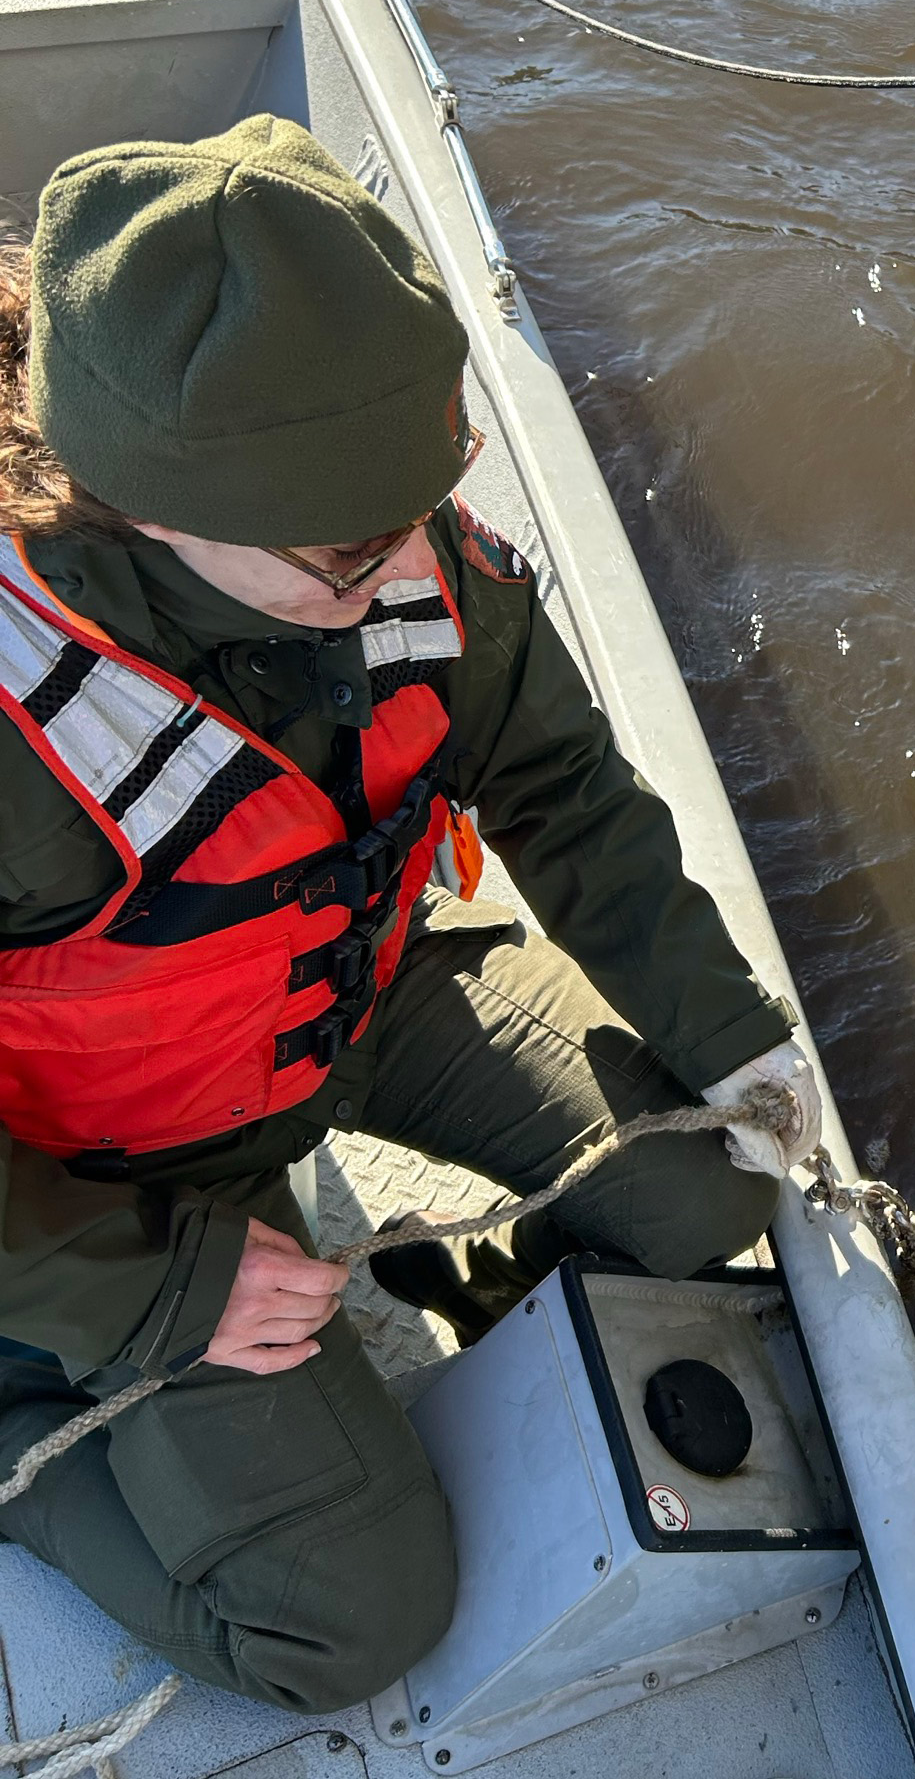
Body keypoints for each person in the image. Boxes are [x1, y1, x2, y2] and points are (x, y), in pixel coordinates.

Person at [0, 116, 820, 1713]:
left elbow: (569, 798)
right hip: (91, 1182)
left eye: (422, 506)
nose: (405, 582)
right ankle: (28, 1414)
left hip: (340, 1018)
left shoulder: (409, 556)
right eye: (349, 553)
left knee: (696, 1194)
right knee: (345, 1625)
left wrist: (733, 1046)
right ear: (143, 506)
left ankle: (417, 1311)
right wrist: (149, 1293)